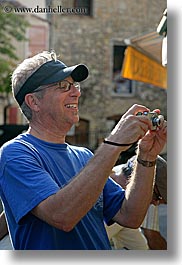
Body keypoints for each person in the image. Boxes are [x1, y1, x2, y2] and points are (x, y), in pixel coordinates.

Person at [0, 51, 167, 250]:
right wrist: (114, 142)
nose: (76, 93)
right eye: (63, 86)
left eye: (74, 85)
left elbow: (131, 216)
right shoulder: (15, 154)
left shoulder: (84, 156)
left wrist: (146, 156)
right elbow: (62, 216)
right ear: (33, 102)